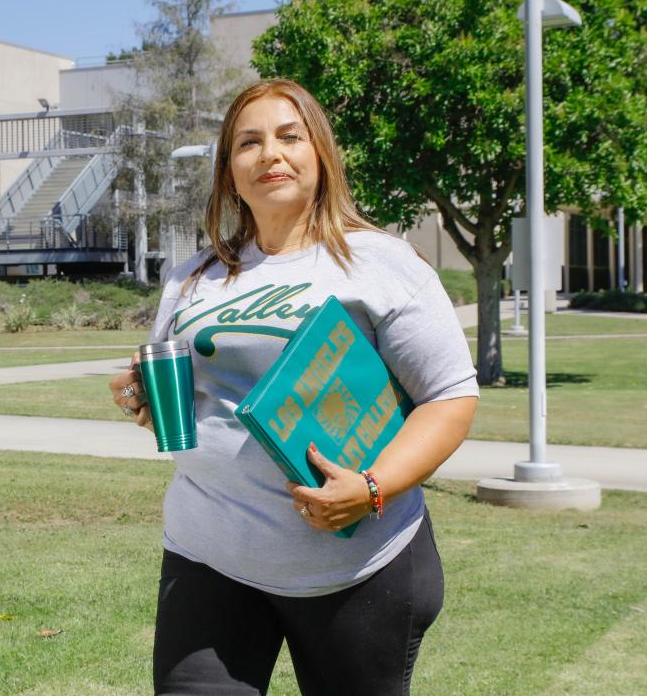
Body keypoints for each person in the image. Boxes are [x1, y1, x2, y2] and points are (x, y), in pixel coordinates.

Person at [108, 78, 479, 696]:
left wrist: (370, 488)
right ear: (229, 170)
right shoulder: (192, 277)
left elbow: (450, 398)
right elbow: (185, 390)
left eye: (289, 136)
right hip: (208, 556)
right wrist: (138, 395)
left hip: (355, 568)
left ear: (320, 154)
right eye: (248, 143)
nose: (270, 154)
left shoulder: (381, 263)